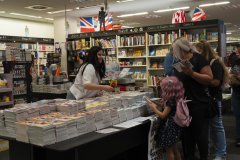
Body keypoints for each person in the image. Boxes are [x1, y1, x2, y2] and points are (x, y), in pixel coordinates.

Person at [172, 37, 213, 160]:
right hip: (184, 104)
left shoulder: (198, 58)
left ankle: (203, 157)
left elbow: (209, 78)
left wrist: (192, 73)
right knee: (186, 136)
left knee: (200, 135)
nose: (174, 52)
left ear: (181, 48)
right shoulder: (179, 61)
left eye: (175, 49)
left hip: (198, 103)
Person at [195, 40, 228, 160]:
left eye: (198, 51)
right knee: (206, 127)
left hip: (213, 99)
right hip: (203, 100)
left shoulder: (215, 63)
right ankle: (207, 151)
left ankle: (221, 153)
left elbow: (216, 82)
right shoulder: (202, 62)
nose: (196, 54)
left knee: (217, 126)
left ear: (204, 50)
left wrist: (201, 79)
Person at [147, 76, 184, 160]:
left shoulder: (170, 100)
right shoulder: (175, 97)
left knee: (169, 151)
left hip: (169, 127)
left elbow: (163, 115)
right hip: (175, 126)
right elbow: (168, 108)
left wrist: (154, 108)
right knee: (175, 149)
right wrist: (157, 103)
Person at [228, 44, 240, 147]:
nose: (237, 53)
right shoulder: (236, 62)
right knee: (238, 115)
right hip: (236, 91)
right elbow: (231, 73)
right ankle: (239, 138)